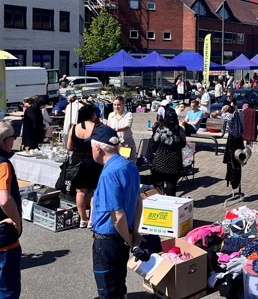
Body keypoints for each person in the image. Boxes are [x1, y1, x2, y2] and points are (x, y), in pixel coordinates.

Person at [90, 125, 142, 299]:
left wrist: (129, 240)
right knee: (119, 282)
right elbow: (138, 200)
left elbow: (117, 217)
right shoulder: (129, 165)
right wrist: (134, 233)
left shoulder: (109, 174)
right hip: (123, 236)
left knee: (107, 288)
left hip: (108, 241)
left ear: (98, 148)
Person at [0, 122, 22, 298]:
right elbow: (4, 199)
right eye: (13, 138)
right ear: (5, 140)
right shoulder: (1, 164)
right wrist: (16, 221)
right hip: (1, 239)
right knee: (6, 291)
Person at [67, 104, 103, 227]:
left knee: (80, 191)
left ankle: (83, 219)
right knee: (94, 191)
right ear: (92, 114)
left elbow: (69, 147)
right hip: (93, 161)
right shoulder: (97, 127)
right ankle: (92, 219)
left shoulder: (74, 127)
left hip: (77, 162)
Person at [150, 105, 187, 196]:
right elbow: (183, 144)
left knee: (158, 184)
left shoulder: (161, 129)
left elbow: (154, 142)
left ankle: (159, 200)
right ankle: (170, 201)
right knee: (171, 184)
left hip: (161, 158)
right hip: (175, 159)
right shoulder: (180, 130)